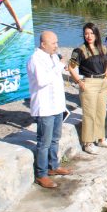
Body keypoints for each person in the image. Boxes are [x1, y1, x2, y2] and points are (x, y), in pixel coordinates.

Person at [27, 31, 72, 188]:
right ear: (43, 44)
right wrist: (59, 66)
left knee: (55, 138)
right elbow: (42, 80)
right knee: (44, 142)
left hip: (57, 105)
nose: (57, 46)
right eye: (53, 43)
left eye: (57, 42)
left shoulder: (53, 56)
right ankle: (41, 174)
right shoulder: (35, 59)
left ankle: (53, 166)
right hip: (45, 107)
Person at [68, 23, 107, 155]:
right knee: (89, 114)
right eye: (86, 33)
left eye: (91, 33)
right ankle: (88, 143)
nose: (89, 36)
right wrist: (79, 82)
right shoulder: (79, 50)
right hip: (89, 82)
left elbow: (106, 67)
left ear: (96, 34)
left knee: (101, 112)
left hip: (102, 82)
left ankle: (101, 138)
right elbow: (71, 67)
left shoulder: (103, 49)